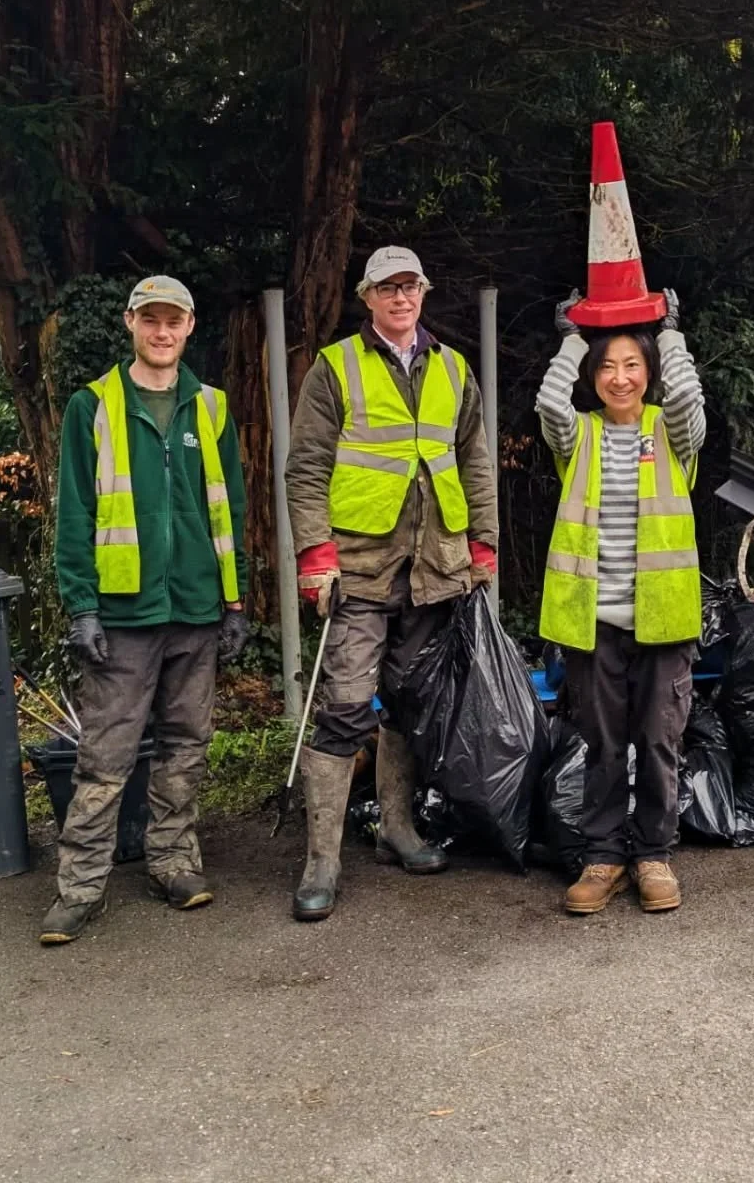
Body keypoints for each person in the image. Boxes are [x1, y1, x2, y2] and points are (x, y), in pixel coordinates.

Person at [284, 246, 498, 921]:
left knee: (408, 703)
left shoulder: (453, 368)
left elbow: (475, 460)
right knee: (346, 707)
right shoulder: (336, 366)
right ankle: (321, 862)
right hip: (359, 567)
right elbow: (306, 467)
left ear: (424, 292)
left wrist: (483, 547)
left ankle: (396, 830)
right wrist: (315, 555)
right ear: (368, 296)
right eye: (388, 288)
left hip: (434, 569)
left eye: (410, 286)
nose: (401, 297)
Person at [42, 276, 249, 945]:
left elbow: (231, 509)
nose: (163, 332)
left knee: (186, 746)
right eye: (151, 319)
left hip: (196, 607)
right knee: (106, 756)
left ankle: (173, 864)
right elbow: (75, 513)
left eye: (174, 321)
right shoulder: (93, 406)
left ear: (189, 327)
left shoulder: (211, 407)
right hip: (123, 616)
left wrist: (235, 601)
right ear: (130, 322)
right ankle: (79, 888)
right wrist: (82, 607)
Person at [536, 288, 705, 914]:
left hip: (664, 619)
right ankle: (603, 857)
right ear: (593, 375)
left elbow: (686, 398)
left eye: (632, 364)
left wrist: (671, 334)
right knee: (603, 746)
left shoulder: (671, 432)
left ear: (649, 372)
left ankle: (654, 855)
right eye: (607, 366)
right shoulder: (577, 435)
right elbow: (550, 403)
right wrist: (571, 339)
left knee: (660, 743)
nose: (620, 377)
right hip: (594, 619)